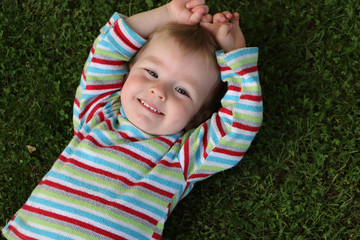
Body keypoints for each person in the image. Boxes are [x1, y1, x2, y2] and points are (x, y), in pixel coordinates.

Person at [2, 0, 263, 239]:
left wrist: (235, 54)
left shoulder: (183, 157)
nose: (158, 91)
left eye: (182, 91)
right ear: (126, 75)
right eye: (151, 72)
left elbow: (237, 126)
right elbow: (107, 50)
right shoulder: (98, 113)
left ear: (199, 118)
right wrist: (167, 14)